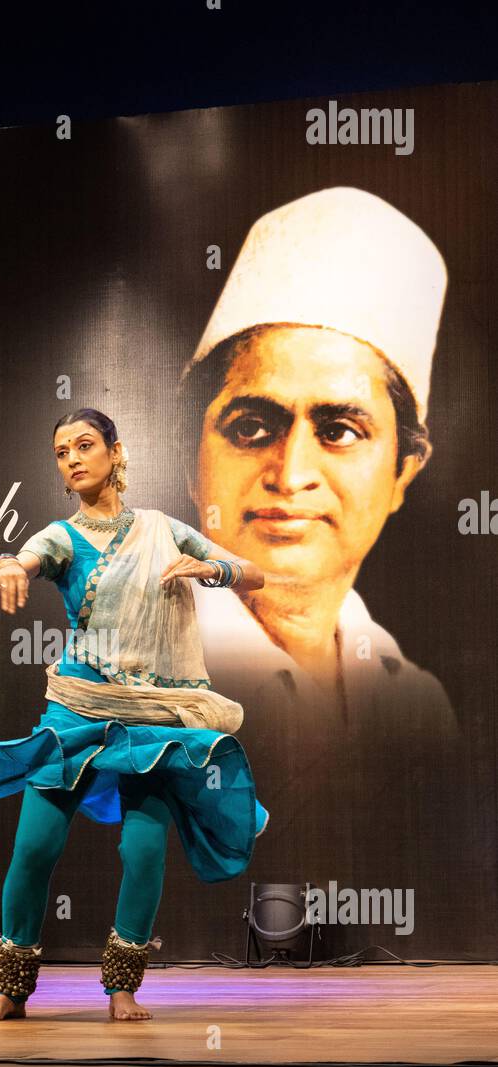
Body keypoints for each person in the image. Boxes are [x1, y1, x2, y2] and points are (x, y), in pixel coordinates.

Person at [0, 408, 269, 1023]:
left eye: (85, 445)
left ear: (116, 452)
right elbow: (23, 558)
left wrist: (215, 568)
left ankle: (122, 987)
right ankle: (12, 991)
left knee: (144, 850)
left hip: (150, 715)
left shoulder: (162, 528)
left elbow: (253, 573)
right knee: (34, 848)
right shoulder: (61, 536)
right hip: (76, 707)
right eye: (61, 451)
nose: (72, 458)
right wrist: (8, 565)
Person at [177, 186, 459, 751]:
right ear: (191, 460)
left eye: (339, 431)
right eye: (251, 428)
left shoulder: (418, 708)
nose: (291, 473)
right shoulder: (129, 683)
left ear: (403, 472)